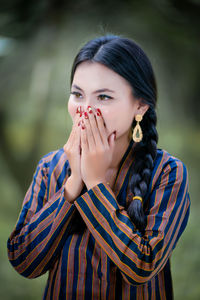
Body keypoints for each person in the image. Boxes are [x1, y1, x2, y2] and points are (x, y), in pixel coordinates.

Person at [7, 34, 190, 300]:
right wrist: (73, 183)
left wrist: (94, 184)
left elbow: (142, 267)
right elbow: (24, 261)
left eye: (104, 97)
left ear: (140, 105)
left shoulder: (167, 172)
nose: (86, 110)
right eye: (78, 95)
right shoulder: (51, 167)